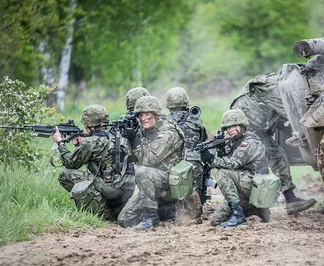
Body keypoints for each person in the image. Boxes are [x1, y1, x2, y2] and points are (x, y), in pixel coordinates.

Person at [230, 71, 316, 215]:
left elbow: (281, 118)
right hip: (242, 129)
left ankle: (288, 201)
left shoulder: (279, 85)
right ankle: (246, 207)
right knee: (265, 162)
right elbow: (293, 114)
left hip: (254, 128)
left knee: (275, 157)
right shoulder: (274, 87)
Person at [52, 105, 135, 220]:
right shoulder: (120, 136)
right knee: (104, 180)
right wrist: (79, 146)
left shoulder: (92, 142)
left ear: (89, 124)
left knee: (64, 175)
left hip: (110, 189)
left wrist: (60, 143)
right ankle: (116, 209)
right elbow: (101, 160)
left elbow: (70, 163)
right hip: (127, 189)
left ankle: (102, 212)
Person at [118, 96, 185, 229]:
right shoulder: (145, 130)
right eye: (141, 115)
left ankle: (151, 217)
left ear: (156, 114)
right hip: (152, 183)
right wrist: (128, 138)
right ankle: (169, 209)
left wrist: (134, 140)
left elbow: (149, 160)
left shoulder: (168, 132)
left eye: (148, 114)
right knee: (125, 219)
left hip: (170, 182)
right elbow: (134, 158)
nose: (144, 118)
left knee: (142, 171)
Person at [201, 109, 270, 227]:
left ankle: (239, 215)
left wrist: (212, 159)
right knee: (216, 220)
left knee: (222, 173)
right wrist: (219, 149)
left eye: (234, 126)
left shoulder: (249, 142)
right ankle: (256, 210)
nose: (231, 129)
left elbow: (232, 164)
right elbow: (226, 159)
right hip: (245, 188)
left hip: (256, 187)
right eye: (228, 127)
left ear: (242, 125)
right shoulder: (234, 141)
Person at [165, 87, 208, 219]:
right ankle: (196, 206)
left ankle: (175, 208)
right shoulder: (195, 120)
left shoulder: (165, 121)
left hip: (173, 166)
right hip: (194, 163)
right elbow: (203, 140)